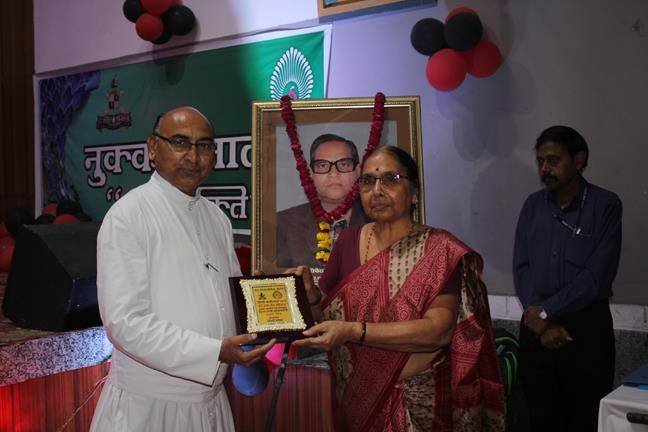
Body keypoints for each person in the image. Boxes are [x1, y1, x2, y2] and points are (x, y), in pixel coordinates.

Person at [292, 146, 505, 431]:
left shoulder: (439, 250)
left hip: (420, 405)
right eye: (368, 181)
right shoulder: (347, 242)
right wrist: (309, 296)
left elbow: (438, 332)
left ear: (414, 192)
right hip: (358, 404)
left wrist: (355, 331)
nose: (376, 191)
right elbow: (325, 315)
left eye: (390, 179)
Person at [91, 107, 275, 432]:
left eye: (204, 145)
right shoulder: (128, 216)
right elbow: (125, 323)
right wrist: (214, 352)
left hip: (211, 403)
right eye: (180, 142)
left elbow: (226, 301)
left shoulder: (217, 218)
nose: (193, 156)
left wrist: (263, 301)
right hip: (148, 409)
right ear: (152, 147)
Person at [513, 125, 622, 432]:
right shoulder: (533, 205)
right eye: (540, 161)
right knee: (538, 418)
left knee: (584, 419)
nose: (544, 169)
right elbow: (521, 267)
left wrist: (545, 313)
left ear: (578, 160)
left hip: (585, 328)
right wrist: (538, 318)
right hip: (536, 328)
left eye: (553, 160)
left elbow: (595, 277)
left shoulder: (605, 205)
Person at [276, 134, 370, 268]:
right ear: (310, 174)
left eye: (343, 164)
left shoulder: (376, 221)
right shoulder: (284, 224)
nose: (333, 173)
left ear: (358, 171)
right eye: (322, 165)